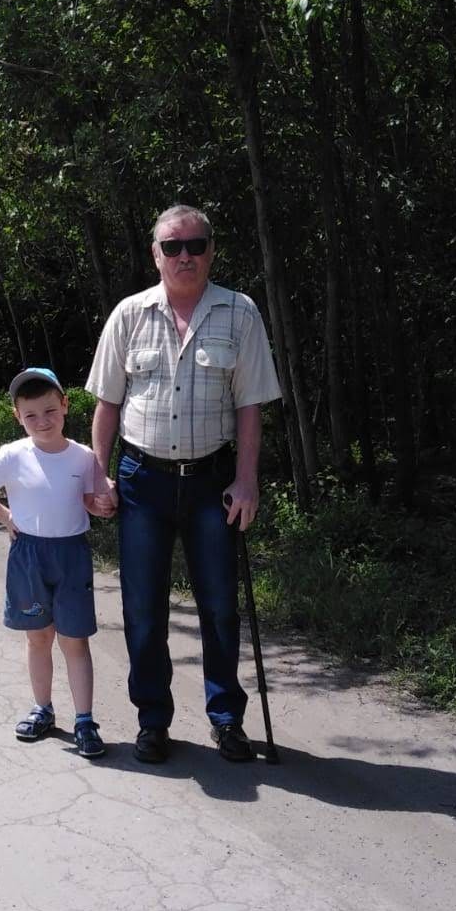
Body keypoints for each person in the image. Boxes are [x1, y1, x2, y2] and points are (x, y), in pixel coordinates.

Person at [86, 205, 282, 764]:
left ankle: (226, 720)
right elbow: (107, 404)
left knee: (219, 607)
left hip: (212, 482)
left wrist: (247, 481)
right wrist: (98, 474)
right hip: (141, 480)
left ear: (212, 250)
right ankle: (153, 721)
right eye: (172, 247)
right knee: (143, 610)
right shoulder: (129, 314)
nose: (185, 256)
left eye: (195, 245)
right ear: (156, 255)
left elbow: (250, 406)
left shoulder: (240, 312)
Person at [0, 367, 114, 759]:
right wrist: (6, 517)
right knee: (38, 637)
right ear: (18, 416)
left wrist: (102, 505)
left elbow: (91, 502)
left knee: (74, 640)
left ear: (65, 405)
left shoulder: (84, 457)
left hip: (71, 555)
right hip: (28, 555)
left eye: (50, 411)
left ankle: (85, 721)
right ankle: (42, 709)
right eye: (30, 415)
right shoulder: (13, 455)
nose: (42, 421)